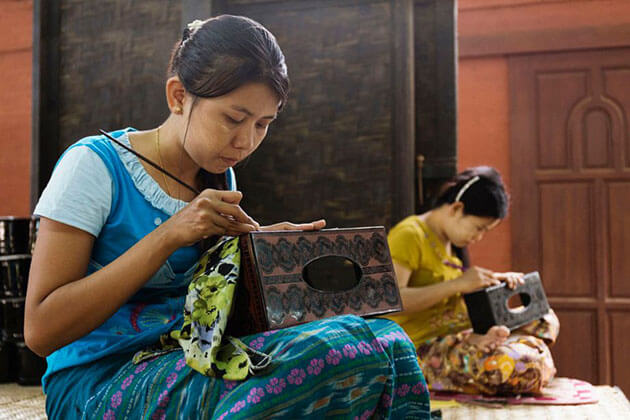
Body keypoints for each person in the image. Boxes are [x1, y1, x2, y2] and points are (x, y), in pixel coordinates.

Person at [25, 15, 430, 419]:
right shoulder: (95, 165)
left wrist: (258, 251)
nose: (246, 141)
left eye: (262, 125)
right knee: (316, 358)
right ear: (178, 96)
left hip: (195, 355)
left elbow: (210, 300)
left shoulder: (217, 173)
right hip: (101, 380)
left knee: (385, 342)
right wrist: (168, 235)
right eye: (233, 119)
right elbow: (41, 331)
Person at [385, 166, 559, 395]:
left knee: (544, 318)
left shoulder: (451, 241)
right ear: (457, 209)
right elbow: (392, 300)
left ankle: (489, 345)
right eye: (479, 228)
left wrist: (493, 282)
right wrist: (458, 285)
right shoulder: (410, 234)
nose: (478, 237)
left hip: (460, 336)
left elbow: (459, 289)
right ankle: (506, 354)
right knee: (522, 364)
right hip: (421, 348)